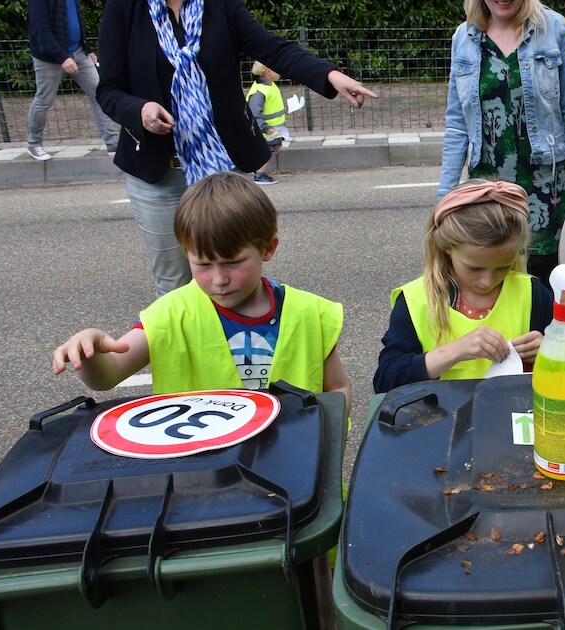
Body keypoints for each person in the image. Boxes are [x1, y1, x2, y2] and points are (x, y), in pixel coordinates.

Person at [96, 0, 378, 298]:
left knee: (232, 280)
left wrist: (330, 76)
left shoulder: (219, 6)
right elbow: (108, 91)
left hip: (221, 172)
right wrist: (139, 110)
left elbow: (274, 51)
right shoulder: (125, 8)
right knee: (174, 287)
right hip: (159, 174)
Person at [52, 171, 350, 412]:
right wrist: (89, 355)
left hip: (292, 470)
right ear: (186, 253)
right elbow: (109, 375)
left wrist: (327, 437)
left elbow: (337, 388)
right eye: (204, 263)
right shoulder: (170, 315)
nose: (219, 279)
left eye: (233, 262)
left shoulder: (310, 314)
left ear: (268, 248)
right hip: (201, 472)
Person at [440, 0, 565, 289]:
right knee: (492, 282)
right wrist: (445, 195)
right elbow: (457, 123)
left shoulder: (554, 30)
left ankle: (541, 335)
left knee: (543, 285)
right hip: (487, 189)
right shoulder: (464, 37)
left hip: (544, 187)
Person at [373, 180, 555, 393]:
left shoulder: (532, 294)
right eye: (474, 269)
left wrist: (551, 352)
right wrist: (456, 350)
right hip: (439, 421)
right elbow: (386, 381)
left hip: (511, 416)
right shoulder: (416, 301)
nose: (487, 281)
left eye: (503, 267)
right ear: (446, 248)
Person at [26, 0, 119, 160]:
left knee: (99, 93)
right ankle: (34, 144)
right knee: (44, 100)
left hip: (78, 52)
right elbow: (41, 30)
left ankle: (112, 142)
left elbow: (77, 21)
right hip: (49, 57)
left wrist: (87, 49)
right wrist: (62, 57)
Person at [246, 61, 290, 186]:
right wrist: (265, 128)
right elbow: (254, 113)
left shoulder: (270, 86)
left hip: (273, 128)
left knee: (273, 146)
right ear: (268, 72)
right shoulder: (260, 91)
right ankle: (259, 174)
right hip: (266, 130)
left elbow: (270, 105)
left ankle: (258, 170)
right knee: (268, 149)